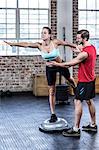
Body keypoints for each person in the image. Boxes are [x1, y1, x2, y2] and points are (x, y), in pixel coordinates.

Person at [4, 26, 79, 123]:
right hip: (50, 69)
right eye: (41, 33)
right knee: (52, 91)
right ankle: (53, 114)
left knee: (69, 79)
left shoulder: (55, 42)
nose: (42, 34)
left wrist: (76, 47)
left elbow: (67, 43)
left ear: (49, 35)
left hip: (60, 65)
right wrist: (13, 44)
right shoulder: (39, 45)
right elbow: (26, 44)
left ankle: (75, 87)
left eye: (44, 33)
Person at [50, 29, 97, 136]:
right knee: (89, 100)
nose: (77, 39)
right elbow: (84, 53)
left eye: (79, 38)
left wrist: (56, 64)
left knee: (77, 101)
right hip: (91, 79)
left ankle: (76, 129)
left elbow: (68, 65)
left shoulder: (84, 53)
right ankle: (93, 125)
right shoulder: (92, 48)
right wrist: (77, 50)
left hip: (84, 81)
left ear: (84, 38)